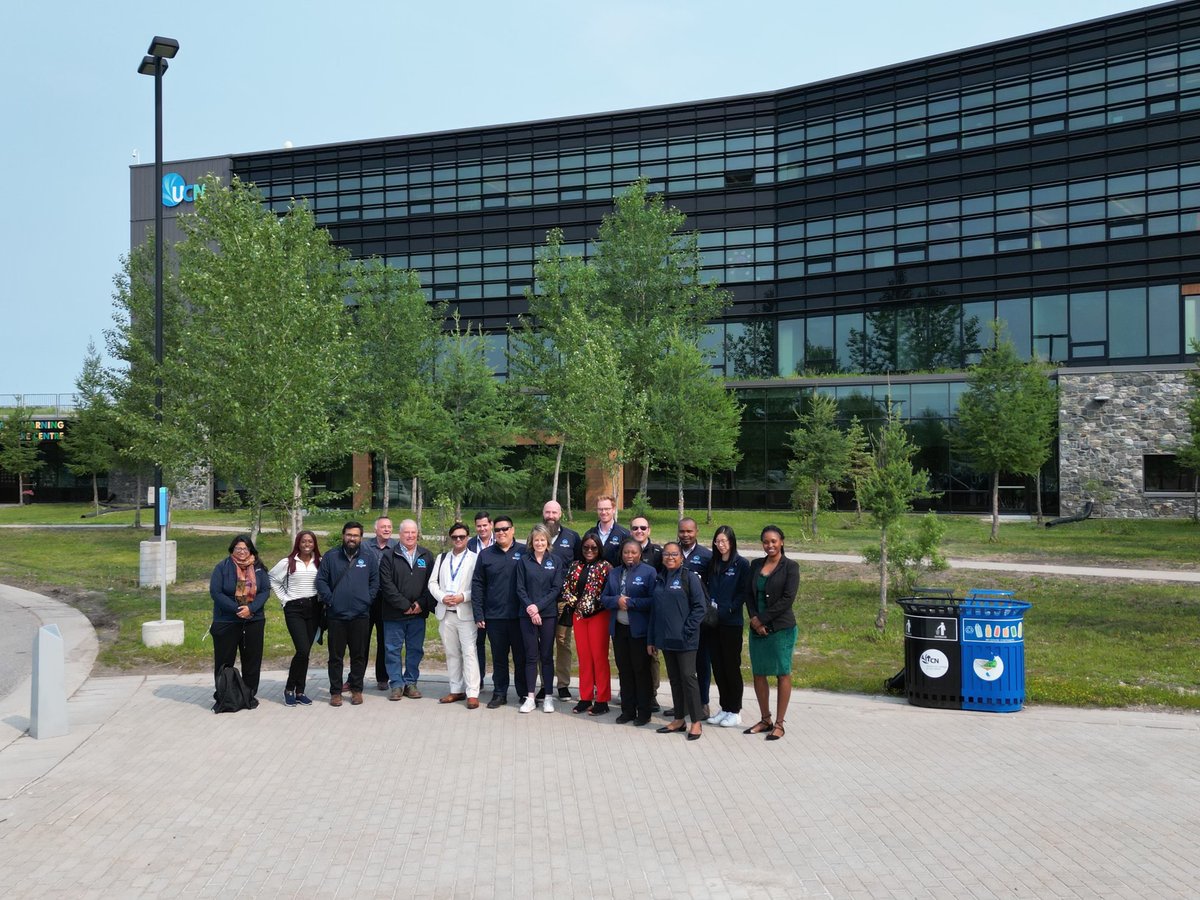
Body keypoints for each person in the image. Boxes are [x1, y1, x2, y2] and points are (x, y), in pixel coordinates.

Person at [744, 525, 800, 741]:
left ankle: (779, 723)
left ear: (782, 542)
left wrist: (763, 619)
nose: (770, 545)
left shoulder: (791, 567)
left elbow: (788, 599)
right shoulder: (756, 564)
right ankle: (765, 719)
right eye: (766, 542)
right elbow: (749, 594)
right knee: (759, 672)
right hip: (757, 628)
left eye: (774, 541)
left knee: (782, 672)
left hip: (781, 629)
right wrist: (754, 620)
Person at [648, 542, 707, 740]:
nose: (670, 557)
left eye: (674, 554)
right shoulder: (659, 578)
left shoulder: (689, 577)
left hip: (686, 640)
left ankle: (696, 721)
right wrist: (652, 639)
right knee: (674, 679)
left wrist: (687, 630)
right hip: (665, 639)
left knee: (688, 678)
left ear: (681, 557)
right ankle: (679, 719)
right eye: (666, 554)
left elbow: (700, 607)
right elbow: (655, 612)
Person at [316, 521, 378, 707]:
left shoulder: (369, 557)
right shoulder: (331, 556)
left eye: (356, 535)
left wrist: (367, 599)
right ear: (343, 535)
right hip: (336, 616)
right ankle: (335, 692)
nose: (352, 538)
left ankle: (357, 690)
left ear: (361, 537)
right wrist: (331, 600)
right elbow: (321, 580)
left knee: (359, 655)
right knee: (335, 657)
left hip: (360, 615)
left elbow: (375, 581)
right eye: (349, 535)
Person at [471, 514, 528, 708]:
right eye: (498, 530)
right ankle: (499, 693)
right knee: (499, 658)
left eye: (505, 529)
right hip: (494, 617)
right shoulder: (486, 555)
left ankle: (523, 693)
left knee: (521, 657)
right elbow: (477, 585)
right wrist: (478, 613)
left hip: (520, 617)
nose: (501, 532)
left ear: (513, 530)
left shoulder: (524, 552)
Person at [209, 534, 270, 710]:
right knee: (224, 661)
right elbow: (216, 592)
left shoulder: (258, 568)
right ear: (232, 550)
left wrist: (251, 609)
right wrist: (237, 610)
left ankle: (248, 695)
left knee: (252, 659)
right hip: (227, 620)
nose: (242, 552)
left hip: (253, 620)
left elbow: (265, 590)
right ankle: (224, 694)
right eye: (238, 548)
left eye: (245, 548)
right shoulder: (222, 567)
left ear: (250, 550)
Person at [378, 519, 436, 701]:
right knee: (393, 649)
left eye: (413, 532)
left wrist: (420, 604)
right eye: (406, 533)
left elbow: (432, 584)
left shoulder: (426, 555)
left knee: (415, 649)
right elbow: (386, 585)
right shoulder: (389, 556)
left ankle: (410, 683)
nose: (410, 536)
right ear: (399, 534)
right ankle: (396, 684)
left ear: (417, 533)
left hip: (418, 614)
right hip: (394, 614)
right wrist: (405, 605)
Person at [601, 538, 657, 724]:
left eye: (633, 552)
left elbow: (653, 601)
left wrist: (631, 603)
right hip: (619, 629)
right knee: (624, 670)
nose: (629, 555)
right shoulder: (614, 572)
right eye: (626, 552)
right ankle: (628, 710)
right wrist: (616, 600)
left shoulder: (649, 572)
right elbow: (604, 597)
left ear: (640, 553)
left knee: (640, 671)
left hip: (639, 631)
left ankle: (644, 712)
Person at [428, 522, 481, 708]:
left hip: (465, 613)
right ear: (450, 538)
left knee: (469, 653)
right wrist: (442, 597)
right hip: (445, 613)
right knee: (451, 654)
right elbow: (432, 583)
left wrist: (462, 597)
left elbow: (479, 587)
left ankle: (472, 692)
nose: (458, 540)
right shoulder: (442, 558)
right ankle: (456, 689)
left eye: (462, 537)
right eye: (455, 537)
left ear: (468, 538)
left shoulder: (475, 558)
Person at [268, 530, 323, 707]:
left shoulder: (320, 562)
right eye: (304, 541)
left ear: (314, 544)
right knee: (302, 649)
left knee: (306, 652)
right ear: (298, 543)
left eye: (310, 541)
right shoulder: (288, 562)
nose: (307, 544)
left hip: (314, 608)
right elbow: (272, 579)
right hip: (294, 609)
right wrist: (284, 598)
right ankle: (289, 689)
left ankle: (301, 691)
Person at [516, 524, 566, 713]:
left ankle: (548, 697)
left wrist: (538, 607)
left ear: (548, 541)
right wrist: (531, 608)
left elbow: (556, 589)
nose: (539, 543)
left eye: (542, 540)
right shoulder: (523, 561)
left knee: (546, 656)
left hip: (548, 615)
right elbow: (519, 588)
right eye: (536, 539)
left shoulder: (555, 561)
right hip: (526, 614)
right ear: (531, 541)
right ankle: (530, 697)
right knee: (530, 656)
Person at [705, 526, 750, 728]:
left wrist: (730, 608)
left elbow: (743, 592)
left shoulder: (741, 564)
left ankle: (735, 710)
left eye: (724, 541)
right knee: (718, 666)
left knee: (731, 667)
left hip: (731, 623)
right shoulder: (713, 563)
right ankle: (724, 707)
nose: (721, 545)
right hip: (713, 622)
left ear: (731, 542)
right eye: (717, 541)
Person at [561, 535, 612, 715]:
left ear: (599, 549)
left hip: (599, 615)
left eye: (593, 548)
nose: (589, 551)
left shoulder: (606, 567)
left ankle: (602, 700)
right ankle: (585, 697)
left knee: (599, 657)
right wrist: (577, 603)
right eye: (586, 548)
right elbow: (566, 588)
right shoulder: (575, 565)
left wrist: (592, 604)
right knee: (584, 658)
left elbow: (609, 592)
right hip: (579, 616)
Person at [677, 516, 715, 718]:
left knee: (701, 662)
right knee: (680, 664)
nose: (685, 535)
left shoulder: (706, 556)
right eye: (682, 531)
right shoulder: (671, 553)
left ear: (696, 532)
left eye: (689, 531)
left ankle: (703, 702)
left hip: (699, 619)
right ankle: (681, 704)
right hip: (676, 617)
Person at [542, 500, 580, 701]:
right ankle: (543, 683)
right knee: (543, 643)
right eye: (547, 512)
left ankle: (563, 685)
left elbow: (580, 565)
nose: (550, 516)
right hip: (541, 602)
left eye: (554, 512)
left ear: (560, 514)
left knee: (563, 642)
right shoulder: (536, 535)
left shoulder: (572, 537)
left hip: (564, 601)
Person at [361, 516, 397, 692]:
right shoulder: (364, 547)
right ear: (375, 529)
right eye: (383, 527)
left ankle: (383, 678)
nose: (387, 529)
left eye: (389, 527)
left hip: (387, 600)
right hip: (367, 599)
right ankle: (356, 678)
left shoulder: (396, 547)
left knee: (385, 640)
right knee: (361, 640)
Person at [467, 511, 494, 691]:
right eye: (479, 526)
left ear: (491, 525)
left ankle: (500, 680)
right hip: (475, 600)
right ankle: (479, 679)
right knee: (477, 643)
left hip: (495, 601)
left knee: (498, 643)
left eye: (485, 525)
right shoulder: (469, 544)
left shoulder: (499, 541)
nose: (482, 528)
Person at [584, 495, 630, 566]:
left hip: (615, 575)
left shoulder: (624, 534)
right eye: (600, 509)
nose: (603, 512)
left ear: (613, 509)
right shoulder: (589, 533)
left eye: (607, 509)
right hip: (593, 575)